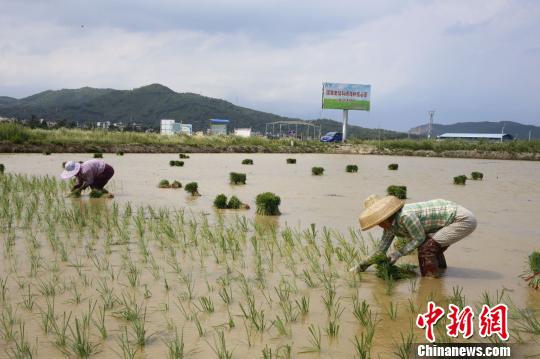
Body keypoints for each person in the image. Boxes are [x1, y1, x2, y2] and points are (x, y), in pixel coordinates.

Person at [350, 195, 477, 277]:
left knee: (426, 249)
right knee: (430, 244)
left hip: (461, 219)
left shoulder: (405, 216)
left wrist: (397, 253)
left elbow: (418, 238)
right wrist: (360, 266)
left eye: (378, 222)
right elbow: (380, 250)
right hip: (448, 220)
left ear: (385, 217)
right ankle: (441, 272)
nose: (378, 225)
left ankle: (430, 283)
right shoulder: (390, 226)